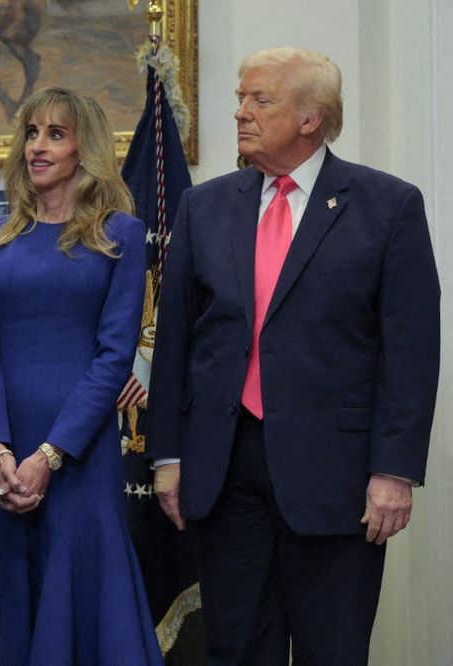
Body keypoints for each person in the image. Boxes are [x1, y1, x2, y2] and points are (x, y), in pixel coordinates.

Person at [147, 47, 440, 664]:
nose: (240, 112)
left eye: (261, 100)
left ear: (311, 118)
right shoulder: (206, 207)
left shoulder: (387, 206)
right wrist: (168, 455)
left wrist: (394, 471)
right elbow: (174, 341)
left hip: (337, 477)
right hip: (224, 472)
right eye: (240, 98)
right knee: (234, 648)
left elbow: (411, 352)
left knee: (330, 651)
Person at [0, 87, 163, 665]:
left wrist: (49, 455)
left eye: (55, 135)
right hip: (5, 457)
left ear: (85, 149)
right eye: (31, 133)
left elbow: (114, 358)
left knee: (80, 591)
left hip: (78, 454)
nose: (37, 147)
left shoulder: (119, 235)